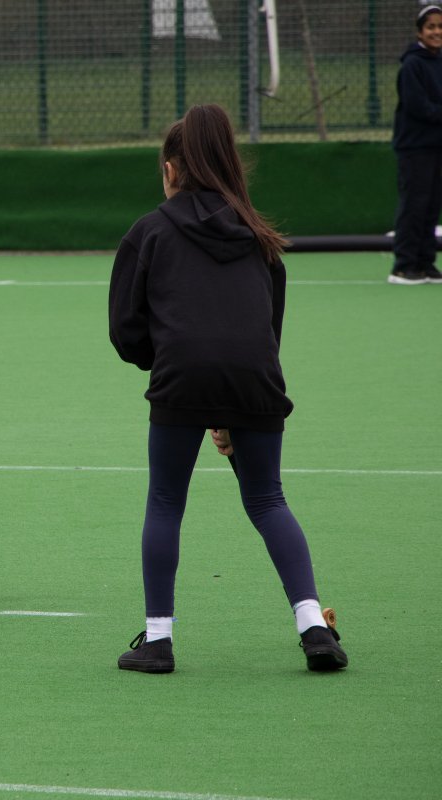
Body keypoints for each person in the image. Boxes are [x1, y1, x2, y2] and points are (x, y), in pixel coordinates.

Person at [107, 105, 348, 674]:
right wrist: (234, 399)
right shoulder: (260, 234)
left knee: (166, 501)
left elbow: (126, 332)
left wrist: (171, 369)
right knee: (268, 499)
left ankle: (159, 640)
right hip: (255, 378)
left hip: (182, 377)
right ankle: (315, 628)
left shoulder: (150, 232)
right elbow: (268, 326)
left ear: (171, 170)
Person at [389, 3, 442, 285]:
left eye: (440, 26)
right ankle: (404, 265)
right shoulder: (412, 65)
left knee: (433, 205)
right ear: (420, 32)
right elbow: (418, 107)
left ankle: (426, 262)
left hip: (437, 148)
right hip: (415, 149)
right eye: (431, 26)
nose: (437, 31)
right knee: (415, 205)